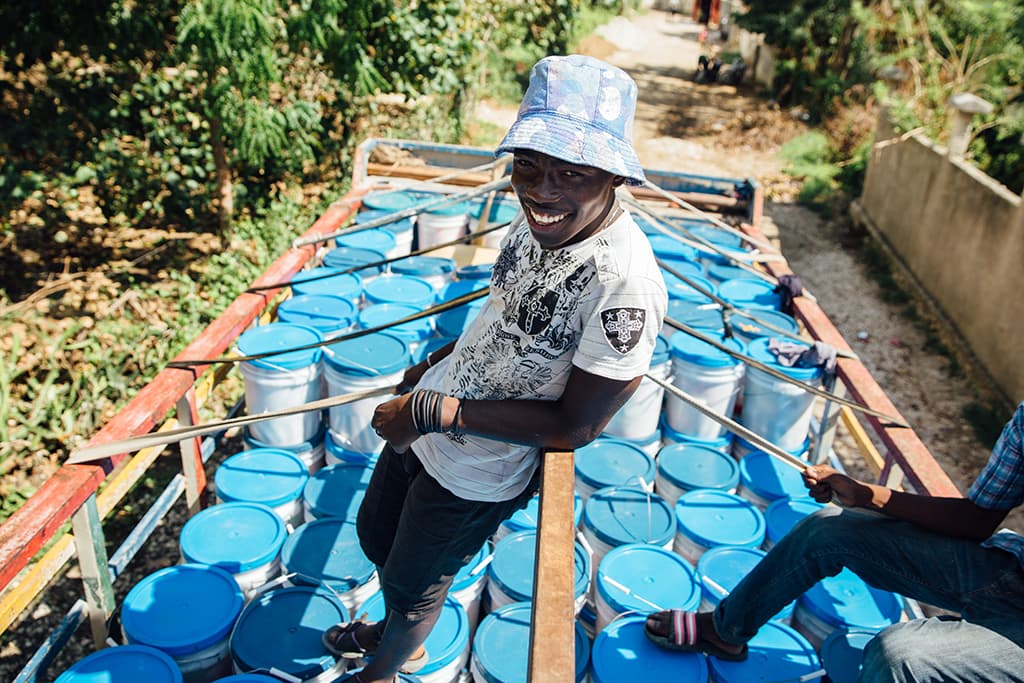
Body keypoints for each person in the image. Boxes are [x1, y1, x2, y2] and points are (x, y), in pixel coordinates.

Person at [324, 54, 668, 683]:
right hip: (428, 415)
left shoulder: (625, 283)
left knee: (418, 581)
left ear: (614, 177)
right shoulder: (535, 223)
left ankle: (382, 669)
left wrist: (432, 411)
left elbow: (577, 423)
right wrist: (431, 368)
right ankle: (394, 635)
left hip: (478, 465)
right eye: (528, 165)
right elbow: (500, 318)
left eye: (570, 172)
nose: (541, 189)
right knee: (378, 535)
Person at [645, 402, 1024, 681]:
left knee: (900, 657)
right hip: (1012, 575)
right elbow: (977, 518)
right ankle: (724, 631)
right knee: (828, 529)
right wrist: (864, 496)